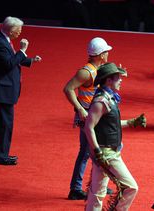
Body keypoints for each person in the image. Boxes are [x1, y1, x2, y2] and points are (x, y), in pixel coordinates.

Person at [84, 62, 146, 210]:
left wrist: (131, 122)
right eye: (118, 78)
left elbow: (111, 124)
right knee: (131, 187)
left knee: (97, 192)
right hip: (107, 153)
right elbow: (89, 127)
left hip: (108, 151)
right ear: (108, 80)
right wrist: (98, 152)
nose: (121, 80)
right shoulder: (101, 101)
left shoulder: (109, 98)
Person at [0, 16, 42, 165]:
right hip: (1, 91)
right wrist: (22, 51)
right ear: (11, 30)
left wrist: (30, 60)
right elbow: (8, 63)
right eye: (18, 30)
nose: (20, 33)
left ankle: (1, 154)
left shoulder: (2, 40)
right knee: (4, 123)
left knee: (4, 123)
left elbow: (10, 59)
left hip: (3, 89)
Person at [63, 37, 112, 200]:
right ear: (100, 54)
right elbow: (68, 89)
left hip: (98, 115)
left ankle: (98, 184)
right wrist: (79, 109)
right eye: (106, 52)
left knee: (101, 149)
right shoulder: (86, 72)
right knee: (85, 152)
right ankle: (75, 188)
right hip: (87, 116)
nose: (108, 54)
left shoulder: (101, 69)